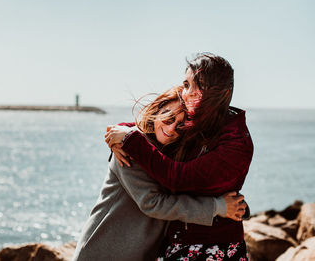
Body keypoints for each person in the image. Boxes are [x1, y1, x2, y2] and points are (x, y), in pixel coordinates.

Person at [105, 52, 254, 260]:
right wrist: (121, 133)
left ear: (223, 93)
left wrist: (130, 140)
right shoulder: (196, 122)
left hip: (215, 246)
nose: (188, 94)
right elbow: (157, 127)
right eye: (186, 84)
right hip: (176, 243)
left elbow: (179, 179)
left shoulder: (236, 142)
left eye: (200, 86)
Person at [72, 86, 247, 261]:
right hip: (103, 252)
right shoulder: (130, 150)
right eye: (168, 117)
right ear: (157, 110)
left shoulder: (172, 157)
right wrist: (217, 207)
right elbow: (153, 203)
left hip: (138, 254)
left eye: (180, 125)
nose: (171, 129)